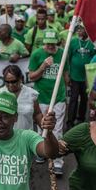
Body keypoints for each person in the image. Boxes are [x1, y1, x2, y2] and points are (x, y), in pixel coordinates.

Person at [28, 29, 69, 172]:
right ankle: (42, 151)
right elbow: (31, 77)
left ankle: (58, 160)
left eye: (53, 44)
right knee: (41, 125)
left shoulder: (63, 53)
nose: (50, 47)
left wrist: (66, 94)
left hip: (59, 96)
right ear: (43, 43)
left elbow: (65, 74)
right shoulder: (37, 54)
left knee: (57, 128)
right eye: (48, 44)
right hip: (42, 96)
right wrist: (43, 66)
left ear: (57, 42)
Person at [0, 65, 43, 130]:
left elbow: (37, 114)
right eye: (7, 82)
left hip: (27, 137)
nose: (10, 85)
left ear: (20, 79)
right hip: (5, 138)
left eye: (13, 81)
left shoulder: (31, 94)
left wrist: (45, 130)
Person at [67, 25, 96, 129]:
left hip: (87, 78)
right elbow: (68, 58)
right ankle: (70, 121)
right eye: (78, 29)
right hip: (74, 76)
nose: (79, 31)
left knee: (84, 99)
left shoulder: (92, 43)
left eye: (82, 29)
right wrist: (68, 74)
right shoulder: (73, 42)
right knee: (73, 99)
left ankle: (81, 119)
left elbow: (95, 59)